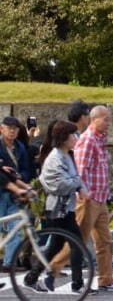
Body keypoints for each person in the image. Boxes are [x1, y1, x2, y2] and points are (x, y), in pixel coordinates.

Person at [24, 121, 85, 294]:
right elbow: (59, 185)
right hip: (57, 209)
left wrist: (79, 186)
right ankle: (78, 284)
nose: (76, 138)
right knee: (77, 244)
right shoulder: (55, 158)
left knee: (56, 246)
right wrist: (78, 184)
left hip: (64, 209)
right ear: (63, 138)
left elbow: (74, 178)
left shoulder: (66, 155)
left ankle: (31, 278)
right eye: (73, 135)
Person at [69, 105, 113, 292]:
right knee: (78, 240)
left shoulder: (100, 139)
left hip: (100, 198)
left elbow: (100, 169)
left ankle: (106, 279)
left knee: (104, 241)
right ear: (95, 119)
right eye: (106, 119)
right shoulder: (88, 140)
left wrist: (107, 194)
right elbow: (80, 169)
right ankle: (49, 271)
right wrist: (82, 193)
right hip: (88, 198)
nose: (109, 123)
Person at [0, 116, 35, 272]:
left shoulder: (20, 147)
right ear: (2, 129)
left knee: (15, 228)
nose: (12, 131)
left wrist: (21, 177)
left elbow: (26, 168)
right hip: (2, 192)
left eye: (15, 128)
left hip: (15, 193)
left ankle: (9, 263)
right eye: (9, 128)